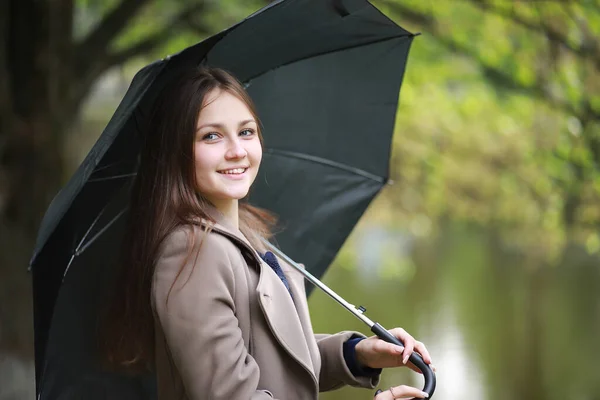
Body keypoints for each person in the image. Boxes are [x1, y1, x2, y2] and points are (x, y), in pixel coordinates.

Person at [103, 67, 433, 399]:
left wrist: (360, 353)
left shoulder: (245, 235)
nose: (236, 151)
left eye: (246, 132)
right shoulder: (194, 252)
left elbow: (277, 360)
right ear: (177, 152)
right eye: (211, 136)